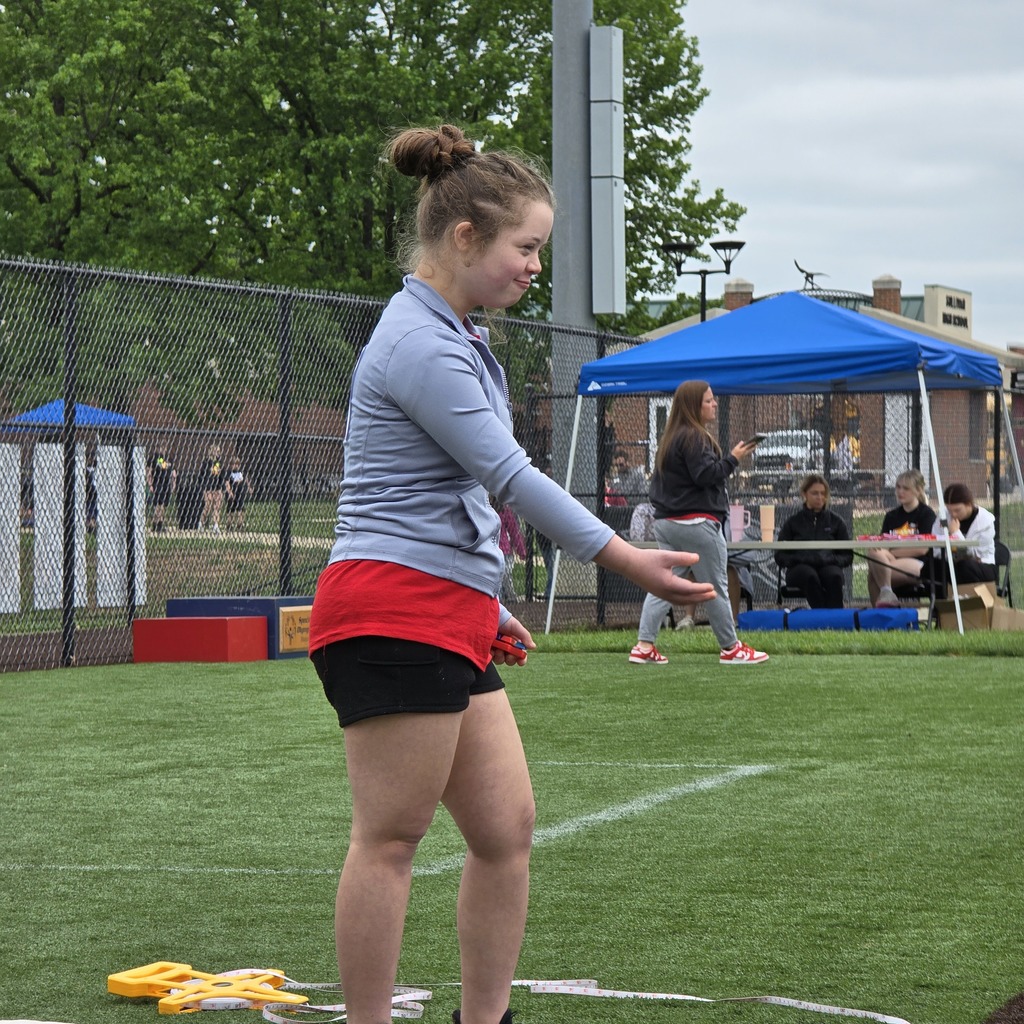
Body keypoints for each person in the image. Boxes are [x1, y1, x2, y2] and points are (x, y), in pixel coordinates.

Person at [306, 124, 716, 1024]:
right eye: (525, 247)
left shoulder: (456, 332)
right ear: (465, 239)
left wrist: (484, 604)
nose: (536, 264)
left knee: (506, 831)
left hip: (441, 608)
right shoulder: (421, 342)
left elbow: (447, 500)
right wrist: (625, 558)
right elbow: (511, 480)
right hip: (388, 608)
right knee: (391, 839)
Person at [629, 380, 768, 666]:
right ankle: (731, 648)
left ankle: (644, 645)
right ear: (694, 405)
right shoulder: (694, 436)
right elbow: (706, 475)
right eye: (708, 400)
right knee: (714, 584)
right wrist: (734, 459)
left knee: (665, 582)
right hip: (696, 524)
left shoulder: (671, 438)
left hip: (668, 523)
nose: (714, 404)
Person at [773, 473, 852, 608]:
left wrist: (829, 559)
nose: (820, 497)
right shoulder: (793, 522)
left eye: (823, 493)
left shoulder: (836, 522)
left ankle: (836, 619)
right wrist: (800, 559)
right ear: (804, 494)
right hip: (799, 568)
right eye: (815, 493)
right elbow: (780, 555)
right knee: (809, 576)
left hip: (828, 565)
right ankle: (822, 617)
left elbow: (847, 555)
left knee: (834, 577)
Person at [867, 469, 937, 607]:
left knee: (873, 576)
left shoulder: (926, 514)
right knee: (873, 552)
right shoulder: (891, 516)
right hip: (891, 561)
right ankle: (887, 597)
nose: (900, 492)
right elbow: (883, 543)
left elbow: (922, 549)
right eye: (898, 487)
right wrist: (885, 550)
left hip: (919, 564)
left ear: (918, 490)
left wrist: (891, 552)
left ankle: (881, 615)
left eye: (906, 488)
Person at [941, 482, 996, 584]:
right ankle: (942, 598)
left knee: (965, 566)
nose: (953, 514)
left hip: (984, 566)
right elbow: (936, 548)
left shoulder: (985, 521)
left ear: (969, 504)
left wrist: (955, 533)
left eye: (957, 510)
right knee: (931, 567)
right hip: (952, 563)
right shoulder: (944, 516)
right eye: (949, 510)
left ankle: (969, 598)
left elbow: (978, 554)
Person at [147, 441, 176, 533]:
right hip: (157, 483)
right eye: (161, 448)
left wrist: (173, 483)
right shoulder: (154, 458)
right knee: (158, 505)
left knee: (163, 505)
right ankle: (156, 524)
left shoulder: (169, 458)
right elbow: (149, 471)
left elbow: (173, 472)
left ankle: (159, 523)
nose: (163, 450)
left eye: (164, 448)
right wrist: (150, 484)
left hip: (166, 484)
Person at [200, 443, 223, 533]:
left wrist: (221, 488)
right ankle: (201, 523)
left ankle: (216, 525)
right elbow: (204, 474)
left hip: (216, 486)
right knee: (207, 506)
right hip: (208, 486)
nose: (217, 453)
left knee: (216, 507)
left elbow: (220, 473)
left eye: (218, 451)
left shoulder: (218, 462)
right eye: (215, 451)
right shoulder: (206, 462)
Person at [224, 456, 252, 531]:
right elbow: (227, 483)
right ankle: (229, 525)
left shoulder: (241, 472)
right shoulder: (229, 472)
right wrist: (229, 492)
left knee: (241, 509)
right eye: (233, 464)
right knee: (231, 509)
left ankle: (240, 524)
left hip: (240, 492)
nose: (235, 466)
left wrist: (249, 488)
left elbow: (246, 480)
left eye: (236, 464)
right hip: (232, 492)